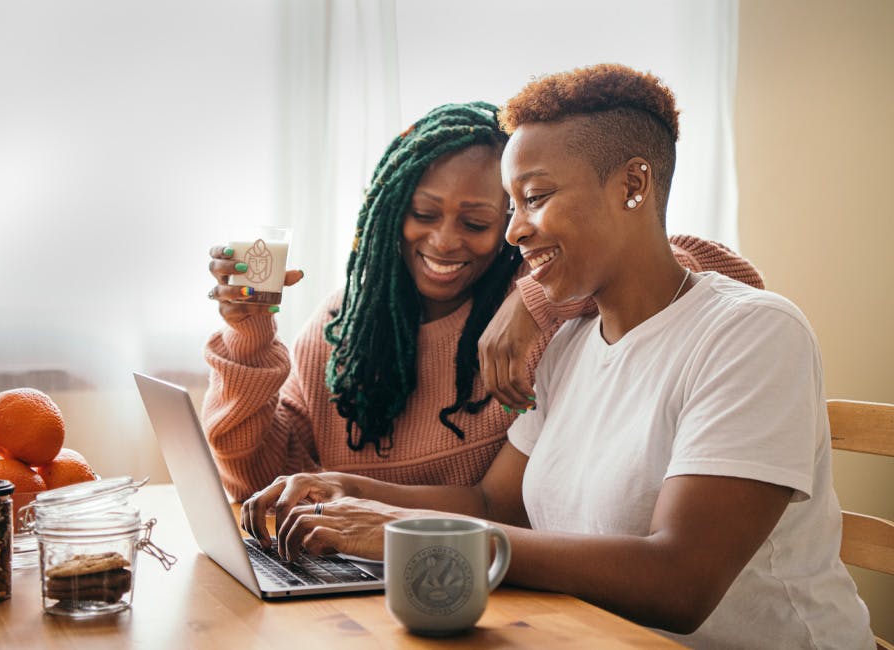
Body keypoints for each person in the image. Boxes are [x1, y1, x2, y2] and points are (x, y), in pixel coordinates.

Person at [240, 65, 874, 649]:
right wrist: (350, 492)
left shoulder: (753, 334)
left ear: (633, 183)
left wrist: (402, 532)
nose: (513, 230)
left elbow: (680, 583)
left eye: (535, 198)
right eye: (512, 206)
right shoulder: (568, 343)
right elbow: (495, 506)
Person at [203, 102, 762, 502]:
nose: (445, 242)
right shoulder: (340, 331)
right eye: (424, 214)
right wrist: (248, 336)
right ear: (388, 215)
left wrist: (534, 298)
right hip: (361, 582)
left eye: (475, 222)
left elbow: (720, 274)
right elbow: (259, 485)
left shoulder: (549, 303)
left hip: (499, 582)